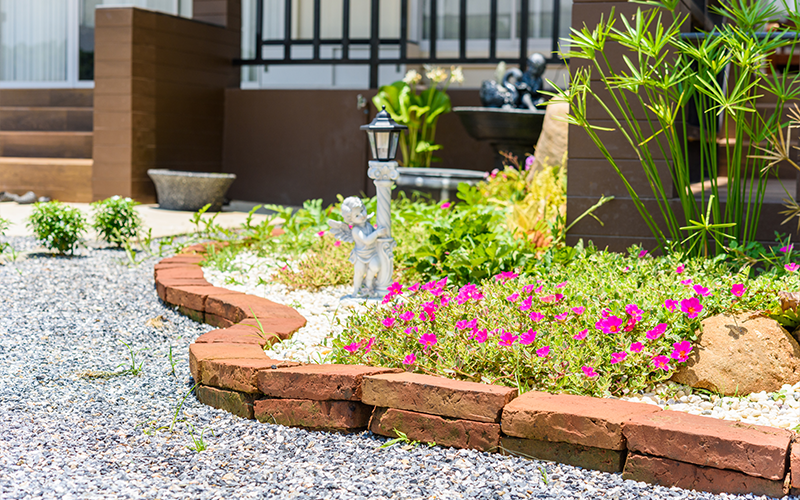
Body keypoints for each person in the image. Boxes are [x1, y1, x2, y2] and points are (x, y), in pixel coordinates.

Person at [328, 197, 388, 296]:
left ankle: (369, 283)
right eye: (356, 215)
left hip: (372, 253)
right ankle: (356, 290)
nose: (362, 215)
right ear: (350, 220)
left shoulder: (368, 226)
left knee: (375, 266)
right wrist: (377, 233)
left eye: (362, 211)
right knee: (359, 273)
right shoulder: (356, 230)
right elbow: (367, 240)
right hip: (360, 255)